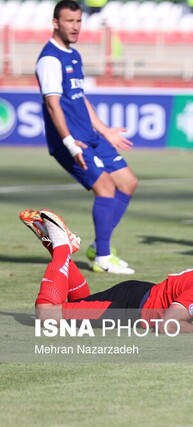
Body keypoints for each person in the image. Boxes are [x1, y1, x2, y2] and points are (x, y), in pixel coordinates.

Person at [19, 209, 193, 332]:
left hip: (144, 294)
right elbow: (168, 325)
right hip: (129, 306)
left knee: (77, 303)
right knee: (48, 317)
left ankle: (59, 251)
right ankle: (63, 246)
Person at [35, 0, 138, 275]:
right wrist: (68, 141)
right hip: (71, 141)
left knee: (128, 182)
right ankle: (103, 257)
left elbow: (80, 98)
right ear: (56, 22)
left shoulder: (73, 54)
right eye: (70, 21)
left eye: (78, 21)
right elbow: (53, 105)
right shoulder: (49, 59)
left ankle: (98, 246)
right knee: (105, 187)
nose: (75, 26)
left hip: (90, 135)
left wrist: (105, 130)